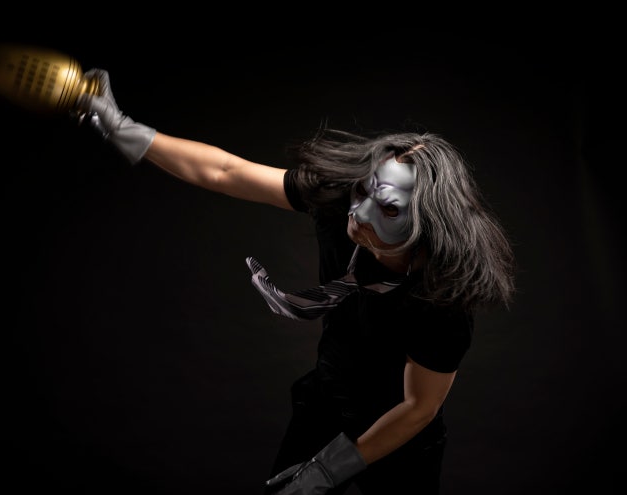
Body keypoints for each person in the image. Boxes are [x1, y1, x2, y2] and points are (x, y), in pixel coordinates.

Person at [75, 68, 516, 495]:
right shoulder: (339, 201)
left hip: (401, 434)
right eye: (363, 190)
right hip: (326, 404)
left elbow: (419, 406)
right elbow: (226, 171)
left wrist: (328, 470)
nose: (358, 213)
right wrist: (122, 128)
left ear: (427, 223)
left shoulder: (443, 299)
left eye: (389, 208)